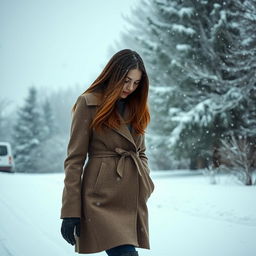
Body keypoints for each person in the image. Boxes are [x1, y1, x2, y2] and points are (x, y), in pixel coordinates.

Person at [60, 49, 155, 256]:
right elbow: (74, 160)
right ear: (114, 74)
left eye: (136, 83)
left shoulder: (136, 107)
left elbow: (141, 151)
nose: (130, 88)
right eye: (126, 80)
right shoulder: (88, 103)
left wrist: (144, 178)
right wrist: (70, 211)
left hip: (131, 197)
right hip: (100, 199)